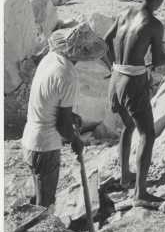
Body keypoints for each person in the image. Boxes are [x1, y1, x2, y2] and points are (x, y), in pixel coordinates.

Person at [104, 0, 165, 206]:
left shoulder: (124, 14)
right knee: (148, 134)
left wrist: (116, 65)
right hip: (132, 83)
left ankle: (124, 176)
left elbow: (105, 40)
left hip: (115, 78)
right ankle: (140, 193)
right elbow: (159, 60)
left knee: (128, 126)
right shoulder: (153, 24)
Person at [21, 24, 106, 212]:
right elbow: (62, 126)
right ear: (83, 53)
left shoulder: (50, 58)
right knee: (45, 207)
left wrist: (70, 115)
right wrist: (76, 140)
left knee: (38, 200)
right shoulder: (68, 74)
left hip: (30, 139)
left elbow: (49, 99)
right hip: (45, 146)